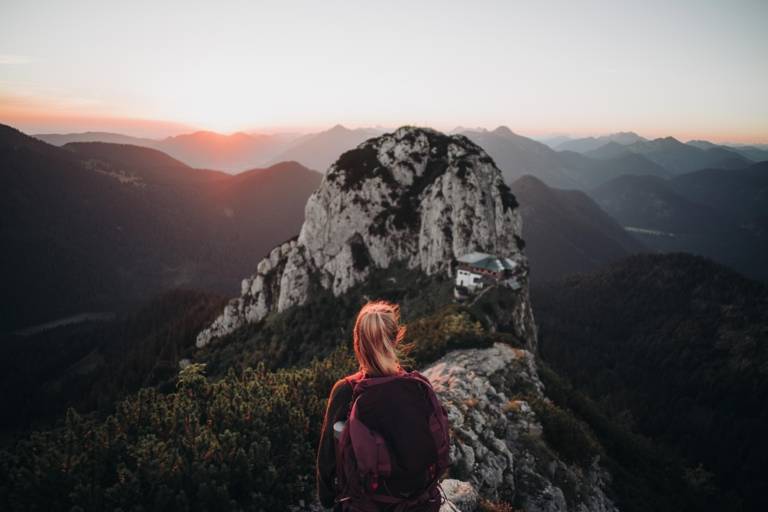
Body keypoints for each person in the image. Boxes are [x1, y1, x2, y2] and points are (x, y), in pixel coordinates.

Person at [316, 300, 448, 512]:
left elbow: (327, 463)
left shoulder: (346, 391)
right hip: (420, 504)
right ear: (395, 339)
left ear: (358, 342)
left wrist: (328, 500)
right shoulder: (418, 386)